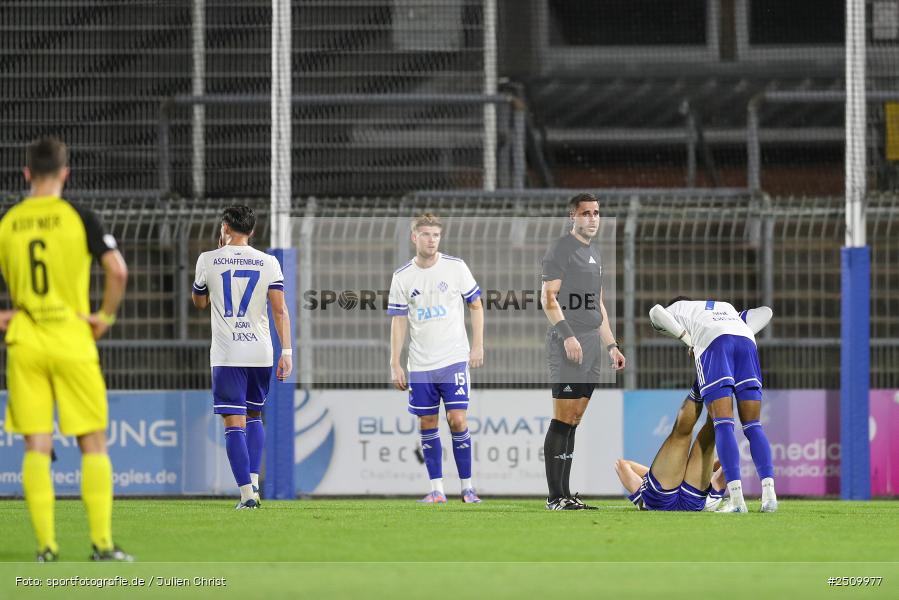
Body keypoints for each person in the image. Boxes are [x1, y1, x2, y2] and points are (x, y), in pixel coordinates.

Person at [0, 137, 131, 561]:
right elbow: (118, 272)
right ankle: (102, 545)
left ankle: (46, 548)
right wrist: (103, 318)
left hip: (26, 341)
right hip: (73, 339)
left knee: (36, 444)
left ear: (26, 174)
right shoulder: (80, 217)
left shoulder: (8, 221)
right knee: (92, 442)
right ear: (64, 173)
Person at [192, 205, 292, 509]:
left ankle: (247, 495)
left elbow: (199, 301)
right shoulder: (269, 262)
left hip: (227, 353)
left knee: (233, 422)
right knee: (254, 417)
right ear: (253, 230)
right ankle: (255, 484)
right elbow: (279, 310)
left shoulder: (208, 259)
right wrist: (286, 351)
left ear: (225, 227)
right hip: (261, 351)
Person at [388, 213, 485, 504]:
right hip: (420, 365)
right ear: (414, 237)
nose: (431, 240)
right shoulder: (402, 276)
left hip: (454, 358)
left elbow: (476, 305)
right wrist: (395, 362)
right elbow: (398, 321)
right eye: (426, 234)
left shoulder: (456, 268)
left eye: (436, 235)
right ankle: (437, 490)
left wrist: (477, 345)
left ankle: (467, 487)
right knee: (427, 422)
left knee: (457, 420)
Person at [648, 298, 778, 513]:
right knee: (753, 425)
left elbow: (656, 311)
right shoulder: (725, 307)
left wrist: (688, 340)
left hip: (713, 344)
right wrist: (740, 328)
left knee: (723, 423)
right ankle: (769, 496)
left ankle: (736, 500)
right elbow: (767, 311)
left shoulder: (678, 308)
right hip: (746, 343)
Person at [540, 193, 625, 510]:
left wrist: (611, 344)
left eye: (597, 213)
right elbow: (548, 298)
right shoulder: (561, 249)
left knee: (574, 419)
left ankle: (565, 494)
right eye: (586, 213)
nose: (593, 218)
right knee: (562, 419)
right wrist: (567, 336)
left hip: (592, 342)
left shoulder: (596, 253)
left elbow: (598, 303)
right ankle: (554, 496)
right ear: (572, 217)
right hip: (570, 343)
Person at [615, 397, 727, 512]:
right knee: (709, 431)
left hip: (662, 500)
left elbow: (621, 464)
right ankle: (716, 390)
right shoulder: (713, 495)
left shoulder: (645, 496)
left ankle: (701, 391)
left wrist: (646, 484)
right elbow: (726, 466)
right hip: (692, 501)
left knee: (687, 433)